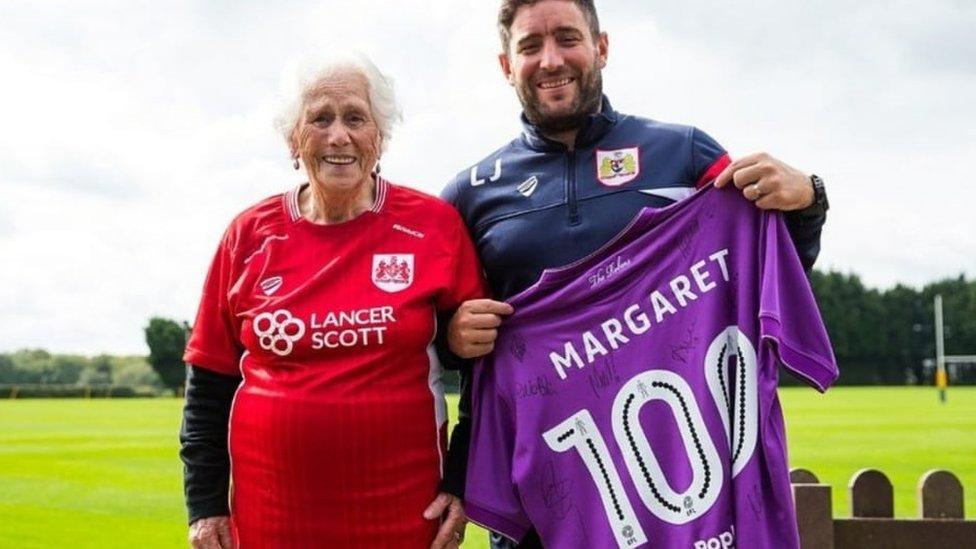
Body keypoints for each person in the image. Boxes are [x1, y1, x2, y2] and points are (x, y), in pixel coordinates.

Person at [436, 1, 830, 547]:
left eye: (567, 38)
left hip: (685, 491)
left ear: (601, 46)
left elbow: (766, 270)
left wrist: (808, 200)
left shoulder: (684, 153)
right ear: (506, 64)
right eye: (530, 46)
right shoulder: (469, 195)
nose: (550, 59)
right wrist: (453, 338)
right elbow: (429, 343)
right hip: (544, 503)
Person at [179, 55, 484, 548]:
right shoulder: (247, 235)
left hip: (404, 522)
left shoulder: (435, 226)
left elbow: (484, 373)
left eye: (355, 117)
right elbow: (208, 387)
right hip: (269, 524)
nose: (338, 136)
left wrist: (465, 482)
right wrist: (205, 506)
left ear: (379, 137)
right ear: (292, 141)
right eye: (320, 118)